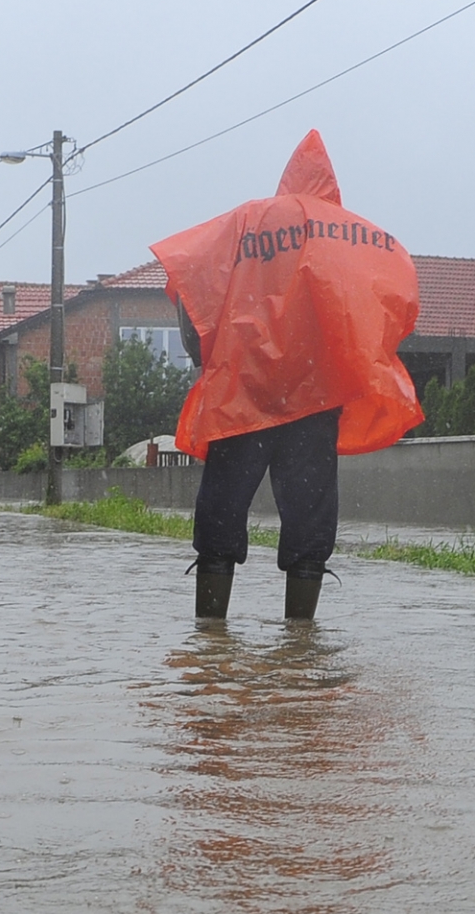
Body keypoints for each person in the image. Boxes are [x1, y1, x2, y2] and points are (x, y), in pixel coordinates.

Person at [148, 131, 421, 621]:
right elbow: (392, 307)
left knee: (220, 516)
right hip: (314, 407)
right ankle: (301, 643)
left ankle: (210, 643)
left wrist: (206, 359)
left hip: (242, 399)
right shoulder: (360, 238)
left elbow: (193, 286)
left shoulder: (246, 223)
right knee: (310, 522)